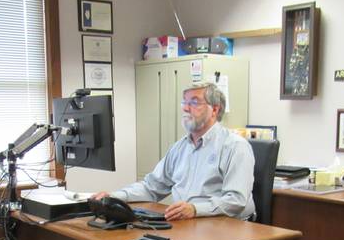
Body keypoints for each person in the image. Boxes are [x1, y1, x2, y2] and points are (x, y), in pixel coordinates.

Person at [92, 82, 255, 221]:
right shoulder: (180, 148)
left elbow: (236, 200)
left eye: (194, 102)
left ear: (214, 109)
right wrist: (115, 197)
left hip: (225, 226)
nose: (186, 108)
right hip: (187, 224)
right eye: (184, 102)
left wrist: (196, 209)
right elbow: (151, 187)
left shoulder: (235, 147)